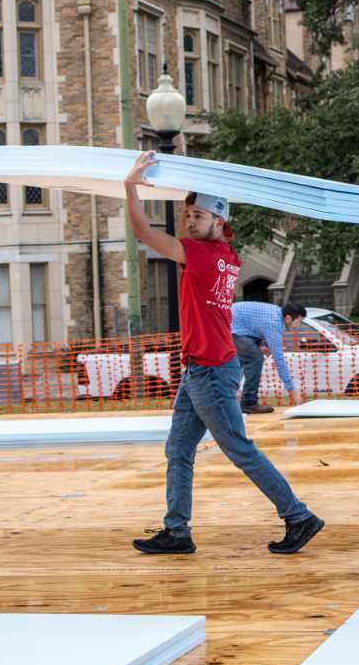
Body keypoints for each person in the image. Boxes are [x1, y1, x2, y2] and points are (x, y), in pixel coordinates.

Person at [123, 154, 325, 556]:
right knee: (178, 450)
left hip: (211, 373)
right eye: (187, 215)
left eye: (198, 216)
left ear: (218, 221)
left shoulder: (199, 254)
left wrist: (130, 186)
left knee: (239, 449)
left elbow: (144, 233)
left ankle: (298, 516)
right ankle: (177, 531)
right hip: (201, 369)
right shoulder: (227, 257)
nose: (189, 222)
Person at [232, 300, 307, 414]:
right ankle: (248, 403)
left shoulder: (276, 313)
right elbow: (279, 361)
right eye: (299, 321)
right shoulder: (274, 323)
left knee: (246, 359)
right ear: (288, 318)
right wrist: (293, 392)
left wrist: (262, 343)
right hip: (232, 328)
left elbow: (255, 326)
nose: (299, 326)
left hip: (237, 326)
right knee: (255, 359)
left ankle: (233, 395)